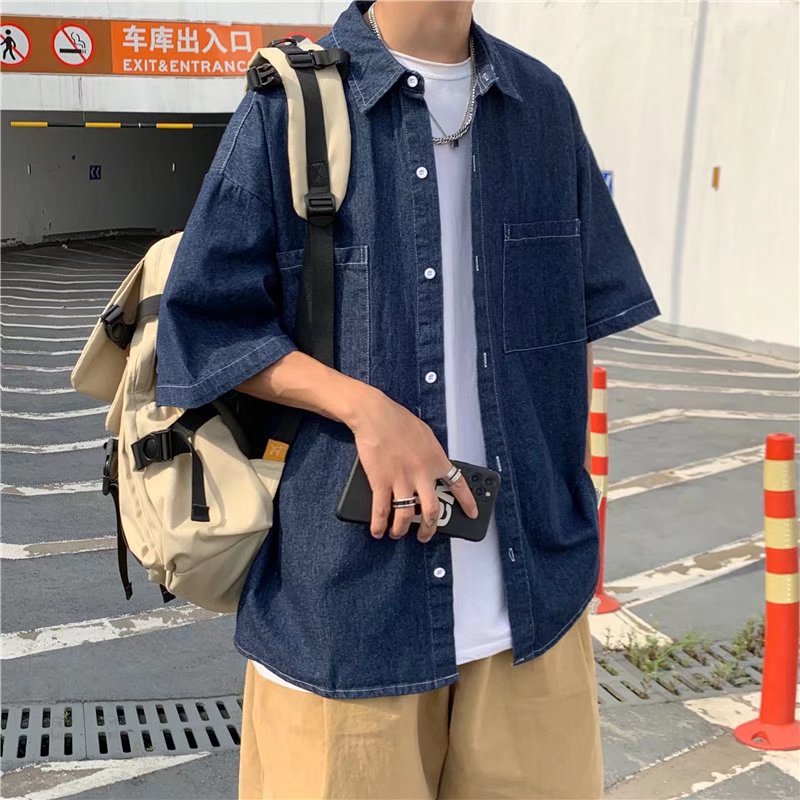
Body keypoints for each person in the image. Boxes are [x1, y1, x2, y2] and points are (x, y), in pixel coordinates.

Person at [155, 1, 661, 797]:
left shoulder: (542, 104)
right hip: (346, 619)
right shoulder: (293, 103)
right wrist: (365, 409)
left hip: (532, 613)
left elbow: (575, 334)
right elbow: (206, 327)